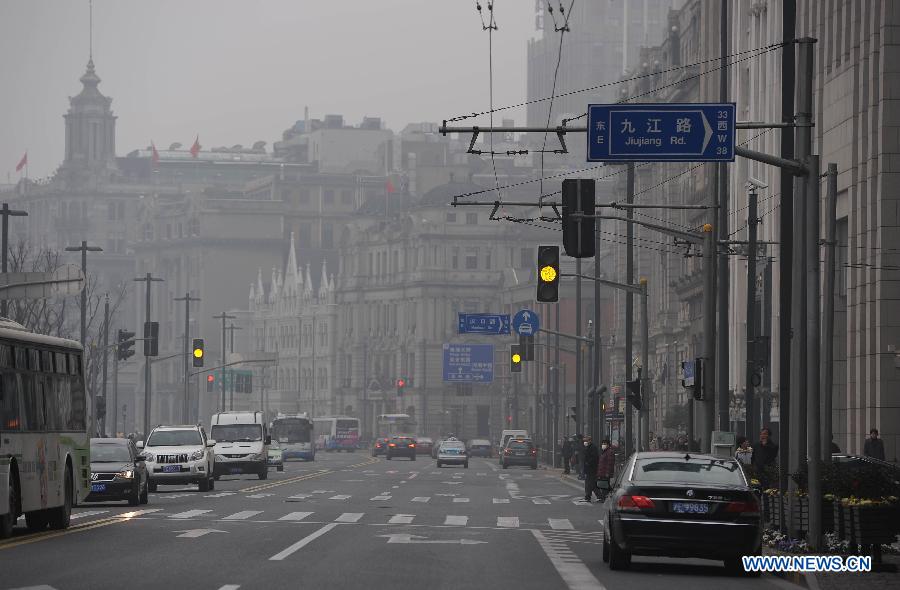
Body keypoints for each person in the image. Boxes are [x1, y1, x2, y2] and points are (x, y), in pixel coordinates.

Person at [582, 435, 600, 502]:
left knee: (591, 483)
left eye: (586, 440)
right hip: (588, 469)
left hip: (592, 469)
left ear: (590, 440)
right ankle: (588, 496)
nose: (585, 442)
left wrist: (588, 463)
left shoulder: (593, 447)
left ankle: (597, 496)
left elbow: (594, 458)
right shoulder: (587, 447)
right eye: (585, 441)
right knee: (589, 483)